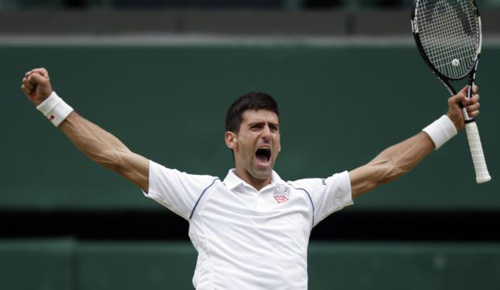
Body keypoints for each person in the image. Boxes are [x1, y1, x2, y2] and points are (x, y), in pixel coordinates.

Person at [21, 67, 481, 290]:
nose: (267, 134)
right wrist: (51, 103)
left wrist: (447, 126)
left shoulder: (306, 196)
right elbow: (116, 157)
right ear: (231, 140)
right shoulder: (202, 194)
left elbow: (386, 169)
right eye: (256, 127)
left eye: (274, 128)